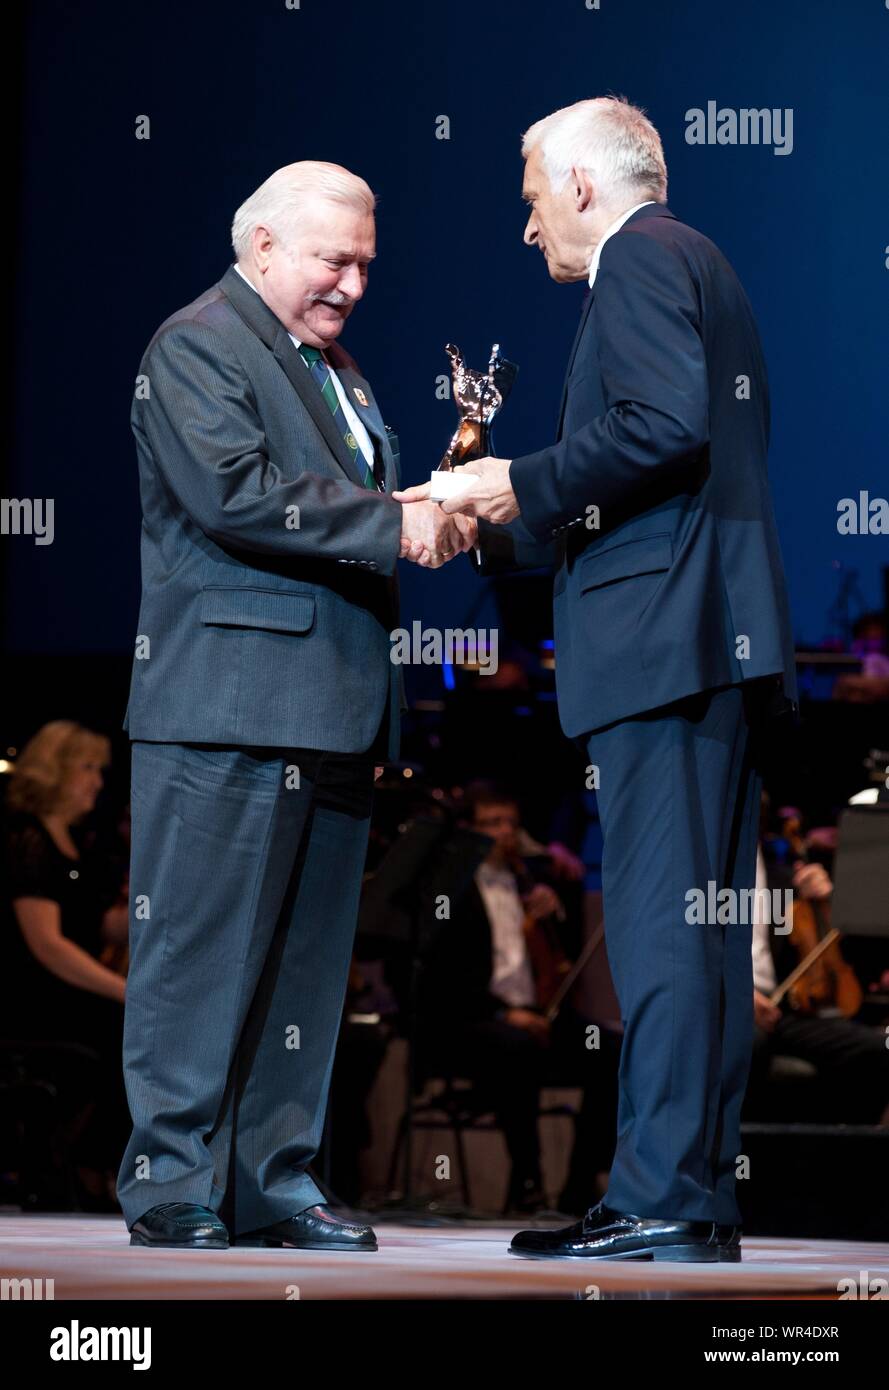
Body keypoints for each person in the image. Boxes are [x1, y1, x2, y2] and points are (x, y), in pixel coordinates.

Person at [395, 97, 798, 1261]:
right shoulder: (698, 262)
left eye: (530, 199)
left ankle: (663, 1196)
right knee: (702, 933)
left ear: (578, 185)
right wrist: (498, 523)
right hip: (706, 636)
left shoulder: (636, 259)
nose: (528, 229)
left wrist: (495, 479)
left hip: (663, 644)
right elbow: (650, 472)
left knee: (666, 935)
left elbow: (658, 429)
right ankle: (688, 1197)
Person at [119, 161, 470, 1250]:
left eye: (364, 262)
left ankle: (277, 1178)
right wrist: (394, 521)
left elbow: (350, 504)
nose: (352, 282)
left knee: (310, 966)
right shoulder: (195, 344)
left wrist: (434, 509)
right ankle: (173, 1179)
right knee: (201, 953)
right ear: (263, 245)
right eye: (333, 258)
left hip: (333, 709)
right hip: (228, 706)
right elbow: (235, 491)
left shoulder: (339, 370)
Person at [417, 782, 620, 1215]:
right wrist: (503, 1013)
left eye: (511, 822)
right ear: (469, 829)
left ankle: (580, 1185)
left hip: (534, 1015)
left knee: (608, 1048)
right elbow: (441, 981)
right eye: (493, 823)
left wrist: (556, 910)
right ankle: (527, 1182)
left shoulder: (528, 882)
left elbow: (560, 964)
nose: (505, 832)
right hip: (469, 1022)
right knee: (518, 1048)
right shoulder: (446, 890)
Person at [3, 721, 130, 1209]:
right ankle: (84, 1165)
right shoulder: (28, 840)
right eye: (87, 768)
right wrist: (124, 990)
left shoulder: (81, 844)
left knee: (145, 1031)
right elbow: (48, 946)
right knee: (131, 1029)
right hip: (33, 994)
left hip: (68, 989)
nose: (98, 781)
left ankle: (92, 1163)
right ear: (54, 771)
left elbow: (100, 926)